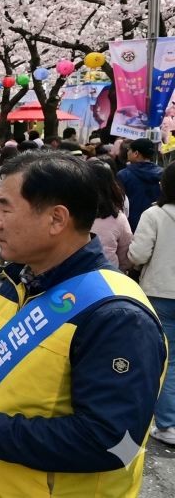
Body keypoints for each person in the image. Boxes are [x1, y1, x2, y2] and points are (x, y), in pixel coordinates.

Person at [0, 151, 166, 497]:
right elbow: (0, 365)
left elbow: (113, 442)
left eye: (5, 207)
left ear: (56, 219)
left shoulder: (117, 316)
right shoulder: (20, 281)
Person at [127, 162, 175, 446]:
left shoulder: (155, 214)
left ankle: (167, 423)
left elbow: (138, 254)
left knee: (162, 360)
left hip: (159, 293)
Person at [88, 160, 132, 270]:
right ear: (111, 183)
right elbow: (125, 255)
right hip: (108, 276)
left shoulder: (71, 213)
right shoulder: (118, 217)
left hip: (73, 278)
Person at [117, 137, 163, 231]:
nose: (127, 152)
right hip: (157, 223)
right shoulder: (163, 174)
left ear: (136, 153)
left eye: (129, 150)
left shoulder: (123, 175)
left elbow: (119, 203)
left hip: (131, 225)